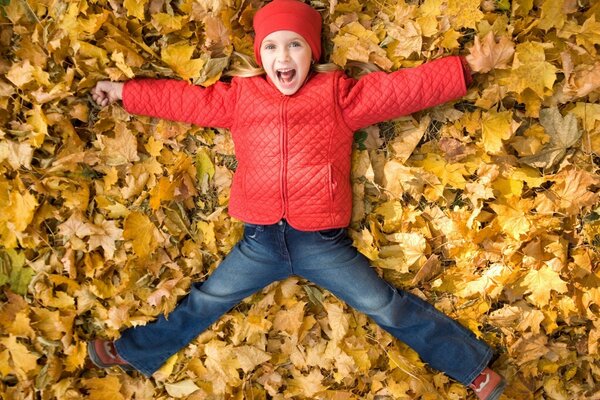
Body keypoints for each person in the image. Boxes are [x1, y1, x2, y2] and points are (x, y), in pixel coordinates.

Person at [87, 0, 506, 398]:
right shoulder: (241, 98)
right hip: (259, 242)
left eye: (294, 45)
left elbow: (403, 90)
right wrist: (122, 91)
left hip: (321, 243)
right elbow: (182, 101)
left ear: (312, 53)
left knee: (384, 305)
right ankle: (134, 350)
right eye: (271, 46)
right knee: (205, 300)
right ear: (260, 55)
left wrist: (466, 67)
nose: (282, 56)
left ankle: (472, 368)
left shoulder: (337, 96)